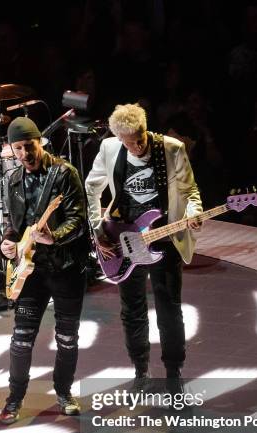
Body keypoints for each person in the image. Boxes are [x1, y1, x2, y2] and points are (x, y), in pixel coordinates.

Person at [85, 103, 202, 396]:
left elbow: (191, 192)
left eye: (139, 139)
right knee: (132, 310)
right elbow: (92, 187)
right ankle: (140, 370)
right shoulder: (111, 148)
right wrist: (97, 227)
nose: (135, 147)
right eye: (128, 142)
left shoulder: (172, 149)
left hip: (164, 238)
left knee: (169, 310)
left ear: (145, 129)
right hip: (123, 240)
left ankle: (174, 373)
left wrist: (194, 212)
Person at [0, 117, 89, 424]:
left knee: (67, 338)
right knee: (21, 338)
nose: (25, 153)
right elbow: (16, 226)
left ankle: (64, 393)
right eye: (19, 148)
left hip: (65, 267)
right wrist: (7, 244)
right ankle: (14, 399)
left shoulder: (64, 173)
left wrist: (55, 236)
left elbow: (78, 219)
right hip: (31, 270)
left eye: (29, 146)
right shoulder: (12, 181)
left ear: (41, 142)